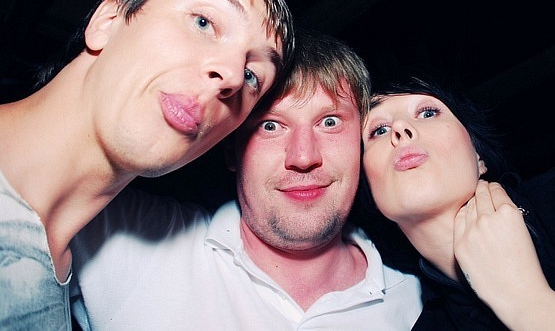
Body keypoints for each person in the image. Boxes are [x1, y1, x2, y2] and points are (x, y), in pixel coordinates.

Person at [0, 0, 295, 330]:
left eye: (253, 75)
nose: (232, 76)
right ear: (107, 21)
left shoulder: (60, 285)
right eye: (203, 22)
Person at [70, 31, 422, 330]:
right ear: (231, 151)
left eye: (329, 122)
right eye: (271, 125)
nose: (303, 157)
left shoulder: (416, 305)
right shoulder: (125, 243)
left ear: (361, 143)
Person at [360, 75, 555, 330]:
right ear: (369, 188)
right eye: (379, 130)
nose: (400, 127)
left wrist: (526, 300)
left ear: (478, 157)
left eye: (428, 113)